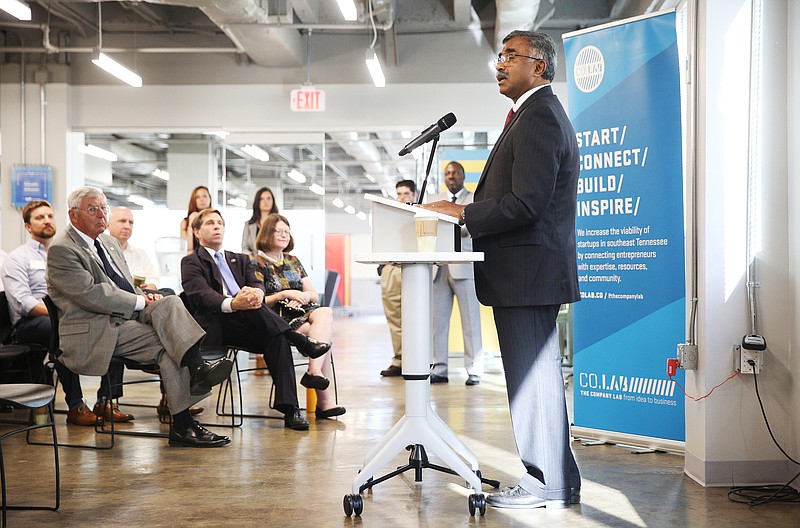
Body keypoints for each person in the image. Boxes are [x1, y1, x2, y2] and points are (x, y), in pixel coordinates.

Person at [421, 31, 582, 509]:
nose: (500, 63)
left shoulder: (539, 118)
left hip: (528, 273)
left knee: (533, 384)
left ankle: (542, 483)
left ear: (540, 67)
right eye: (501, 55)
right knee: (539, 382)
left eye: (511, 55)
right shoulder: (531, 115)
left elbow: (527, 203)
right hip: (526, 271)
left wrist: (464, 214)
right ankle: (560, 480)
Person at [47, 187, 234, 448]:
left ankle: (197, 370)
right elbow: (91, 294)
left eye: (103, 208)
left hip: (122, 317)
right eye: (93, 209)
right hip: (95, 327)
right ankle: (184, 422)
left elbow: (122, 283)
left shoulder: (108, 243)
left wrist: (145, 297)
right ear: (73, 215)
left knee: (169, 300)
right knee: (169, 346)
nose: (101, 214)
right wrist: (139, 301)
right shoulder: (62, 249)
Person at [180, 208, 333, 430]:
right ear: (196, 231)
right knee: (269, 322)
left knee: (275, 336)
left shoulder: (240, 259)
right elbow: (200, 294)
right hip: (219, 324)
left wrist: (256, 295)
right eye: (210, 223)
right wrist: (234, 303)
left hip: (250, 322)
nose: (217, 227)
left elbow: (257, 284)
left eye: (220, 223)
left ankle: (290, 409)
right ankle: (300, 341)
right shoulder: (192, 261)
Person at [2, 200, 130, 426]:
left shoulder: (66, 251)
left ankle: (107, 400)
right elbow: (25, 304)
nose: (47, 221)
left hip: (69, 314)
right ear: (28, 227)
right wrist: (61, 314)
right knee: (63, 330)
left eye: (50, 216)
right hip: (32, 323)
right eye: (40, 218)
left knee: (114, 321)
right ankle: (76, 404)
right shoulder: (17, 258)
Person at [107, 206, 203, 418]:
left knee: (168, 297)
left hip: (143, 303)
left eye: (130, 222)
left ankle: (171, 397)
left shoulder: (138, 253)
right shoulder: (102, 252)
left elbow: (152, 277)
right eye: (122, 221)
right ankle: (107, 401)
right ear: (108, 224)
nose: (127, 226)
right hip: (119, 310)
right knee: (164, 328)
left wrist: (148, 292)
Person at [254, 213, 345, 419]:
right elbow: (259, 300)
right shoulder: (256, 263)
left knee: (325, 312)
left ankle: (314, 372)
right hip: (278, 319)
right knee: (323, 340)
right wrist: (285, 294)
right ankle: (324, 401)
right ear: (268, 232)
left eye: (287, 231)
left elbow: (313, 293)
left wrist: (302, 296)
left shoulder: (294, 260)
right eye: (279, 231)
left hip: (303, 312)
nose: (285, 235)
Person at [426, 161, 484, 385]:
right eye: (447, 173)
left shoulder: (474, 199)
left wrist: (448, 225)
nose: (451, 176)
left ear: (463, 176)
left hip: (464, 268)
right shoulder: (435, 200)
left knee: (471, 322)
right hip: (438, 268)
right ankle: (439, 368)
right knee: (436, 323)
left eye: (455, 173)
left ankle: (474, 370)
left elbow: (472, 228)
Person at [378, 180, 417, 377]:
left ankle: (418, 359)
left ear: (414, 195)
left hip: (415, 270)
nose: (402, 197)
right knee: (394, 317)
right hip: (391, 269)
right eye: (399, 193)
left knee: (418, 317)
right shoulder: (387, 217)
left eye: (406, 193)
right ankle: (399, 359)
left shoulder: (422, 216)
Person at [241, 187, 279, 260]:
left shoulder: (279, 223)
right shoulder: (249, 225)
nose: (265, 201)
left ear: (273, 201)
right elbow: (244, 248)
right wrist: (252, 258)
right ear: (258, 202)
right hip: (254, 263)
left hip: (275, 262)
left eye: (268, 198)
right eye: (262, 199)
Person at [180, 185, 212, 254]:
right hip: (193, 260)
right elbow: (187, 249)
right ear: (194, 200)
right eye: (198, 197)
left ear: (210, 199)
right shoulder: (185, 222)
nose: (202, 199)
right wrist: (191, 225)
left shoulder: (214, 221)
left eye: (205, 196)